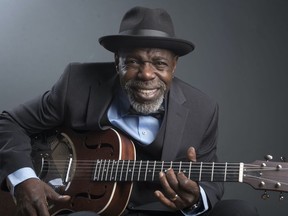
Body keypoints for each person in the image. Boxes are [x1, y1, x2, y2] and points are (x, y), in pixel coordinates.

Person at [0, 6, 258, 216]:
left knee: (240, 211)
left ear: (174, 66)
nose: (146, 74)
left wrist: (193, 200)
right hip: (84, 207)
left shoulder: (203, 108)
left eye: (159, 63)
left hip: (162, 211)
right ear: (117, 61)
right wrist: (23, 179)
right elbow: (9, 122)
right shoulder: (77, 82)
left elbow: (210, 180)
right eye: (133, 61)